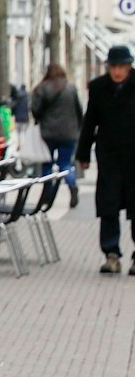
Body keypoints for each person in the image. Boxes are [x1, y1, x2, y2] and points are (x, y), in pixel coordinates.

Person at [79, 46, 135, 275]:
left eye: (122, 67)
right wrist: (83, 154)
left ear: (130, 66)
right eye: (114, 67)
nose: (118, 72)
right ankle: (111, 254)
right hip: (109, 155)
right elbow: (90, 121)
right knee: (108, 205)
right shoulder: (99, 88)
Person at [32, 64, 84, 208]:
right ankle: (72, 185)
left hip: (48, 133)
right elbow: (79, 110)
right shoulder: (71, 88)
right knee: (65, 164)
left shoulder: (42, 88)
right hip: (69, 133)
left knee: (47, 165)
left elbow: (36, 111)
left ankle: (46, 195)